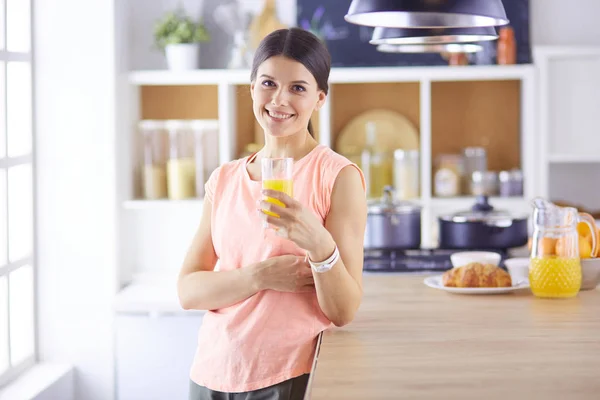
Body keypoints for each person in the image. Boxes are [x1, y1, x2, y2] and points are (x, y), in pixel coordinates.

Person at [177, 27, 367, 400]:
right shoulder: (225, 179)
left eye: (298, 88)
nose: (279, 100)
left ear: (320, 99)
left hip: (289, 376)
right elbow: (188, 291)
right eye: (268, 83)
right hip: (211, 373)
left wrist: (320, 246)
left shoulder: (337, 176)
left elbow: (343, 310)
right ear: (251, 89)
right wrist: (261, 276)